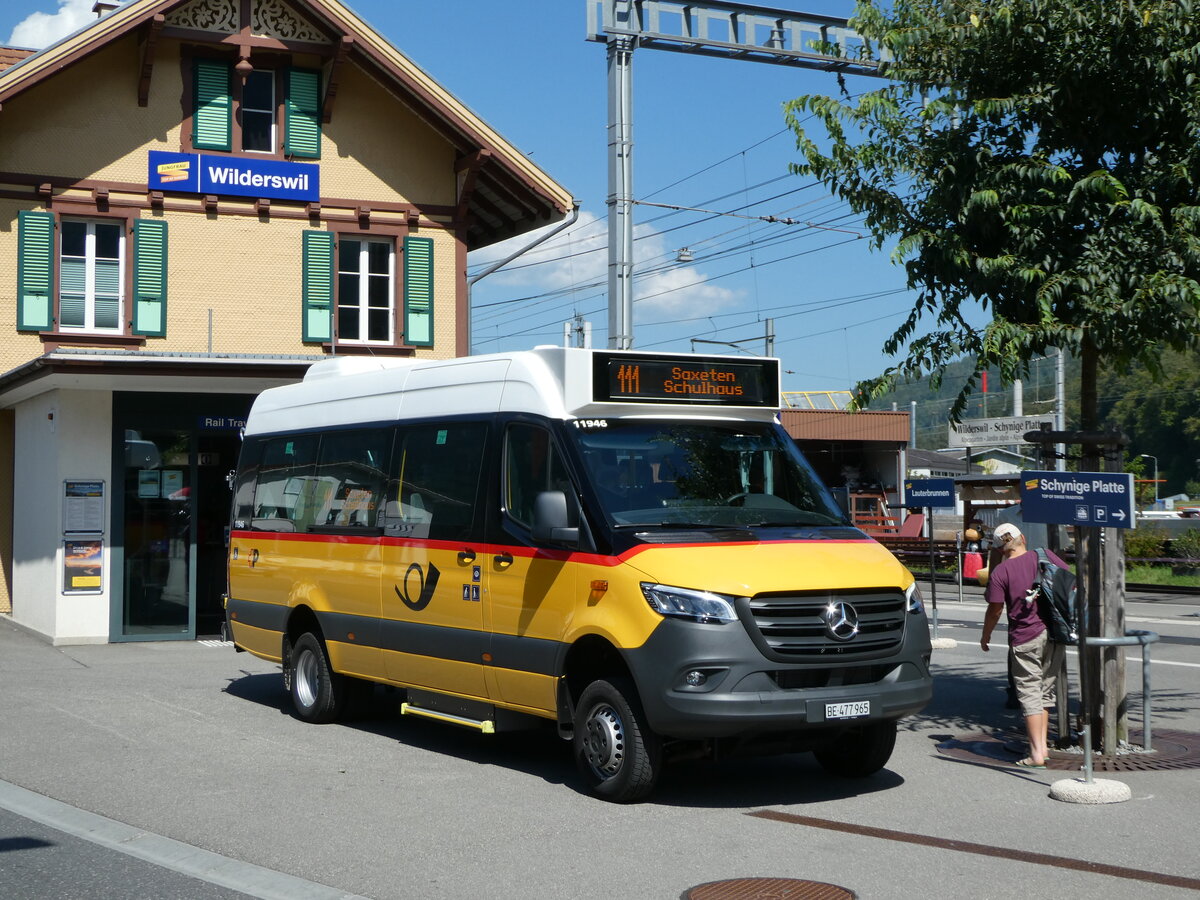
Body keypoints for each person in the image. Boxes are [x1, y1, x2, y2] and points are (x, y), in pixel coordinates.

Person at [979, 522, 1067, 768]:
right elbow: (1069, 581)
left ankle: (1036, 754)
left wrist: (986, 636)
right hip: (1054, 632)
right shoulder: (1045, 555)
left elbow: (995, 609)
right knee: (1044, 692)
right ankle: (1043, 747)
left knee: (1029, 693)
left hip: (1025, 637)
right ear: (1024, 538)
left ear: (998, 549)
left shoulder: (1000, 572)